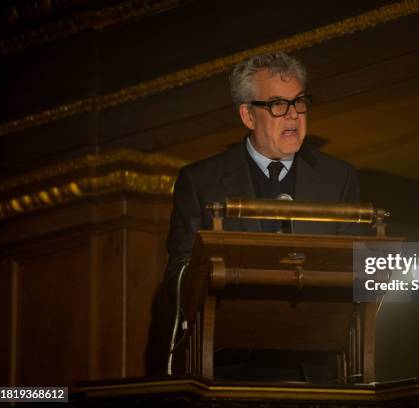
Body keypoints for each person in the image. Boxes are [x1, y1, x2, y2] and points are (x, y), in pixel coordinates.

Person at [147, 52, 362, 381]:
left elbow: (354, 267)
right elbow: (180, 271)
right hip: (228, 365)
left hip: (315, 366)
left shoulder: (339, 178)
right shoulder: (201, 181)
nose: (293, 116)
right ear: (248, 115)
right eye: (278, 104)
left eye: (299, 102)